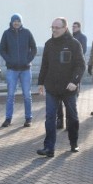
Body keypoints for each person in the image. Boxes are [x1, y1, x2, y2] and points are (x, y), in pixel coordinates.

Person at [36, 18, 86, 156]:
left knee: (73, 117)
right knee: (50, 118)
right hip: (52, 87)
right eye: (52, 27)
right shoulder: (49, 44)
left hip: (68, 89)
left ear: (65, 28)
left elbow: (81, 65)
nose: (54, 30)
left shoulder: (74, 44)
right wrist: (40, 83)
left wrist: (74, 82)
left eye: (57, 27)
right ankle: (49, 148)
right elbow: (44, 65)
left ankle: (73, 143)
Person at [0, 14, 38, 128]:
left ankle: (28, 118)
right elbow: (2, 50)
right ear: (11, 22)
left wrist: (28, 59)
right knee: (10, 95)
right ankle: (8, 118)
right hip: (12, 69)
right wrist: (9, 60)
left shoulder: (27, 32)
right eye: (14, 21)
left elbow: (34, 48)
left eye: (18, 21)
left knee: (27, 95)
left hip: (25, 69)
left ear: (21, 22)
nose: (16, 23)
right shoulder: (6, 34)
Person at [56, 21, 87, 129]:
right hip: (60, 76)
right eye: (72, 26)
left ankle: (70, 123)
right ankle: (60, 120)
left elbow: (81, 56)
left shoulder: (79, 39)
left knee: (70, 101)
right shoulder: (62, 40)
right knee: (58, 101)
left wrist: (75, 79)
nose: (73, 28)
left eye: (75, 26)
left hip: (73, 74)